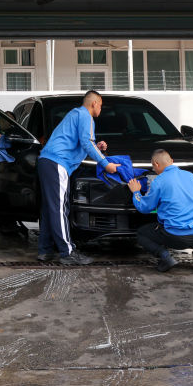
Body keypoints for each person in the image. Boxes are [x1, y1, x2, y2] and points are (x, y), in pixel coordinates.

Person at [37, 90, 117, 266]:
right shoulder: (86, 116)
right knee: (59, 209)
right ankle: (67, 252)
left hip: (47, 162)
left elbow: (81, 143)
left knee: (50, 209)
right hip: (57, 163)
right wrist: (106, 164)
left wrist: (96, 147)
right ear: (94, 103)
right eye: (101, 105)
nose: (101, 109)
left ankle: (45, 250)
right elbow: (87, 143)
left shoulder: (75, 114)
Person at [127, 149, 193, 272]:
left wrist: (136, 192)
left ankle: (165, 257)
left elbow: (145, 207)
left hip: (176, 238)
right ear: (171, 161)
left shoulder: (159, 181)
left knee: (142, 234)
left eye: (153, 167)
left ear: (156, 164)